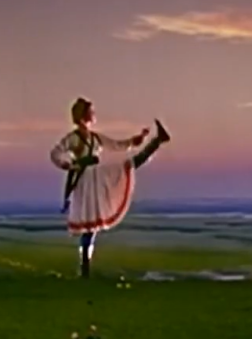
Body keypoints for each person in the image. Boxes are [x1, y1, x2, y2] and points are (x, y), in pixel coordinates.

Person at [50, 97, 171, 278]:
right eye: (90, 111)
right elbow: (55, 153)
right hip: (86, 182)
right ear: (83, 116)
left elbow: (117, 145)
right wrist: (68, 165)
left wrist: (135, 140)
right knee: (89, 228)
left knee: (127, 167)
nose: (94, 114)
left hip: (95, 178)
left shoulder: (95, 137)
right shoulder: (73, 138)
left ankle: (156, 142)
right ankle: (84, 267)